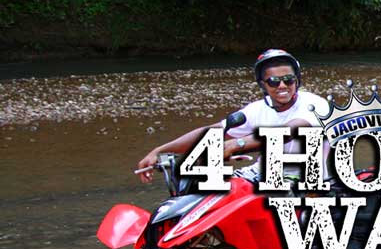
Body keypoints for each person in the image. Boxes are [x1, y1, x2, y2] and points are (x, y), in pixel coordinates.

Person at [136, 49, 328, 182]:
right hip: (259, 176)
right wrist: (159, 150)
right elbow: (214, 131)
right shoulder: (256, 109)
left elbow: (289, 130)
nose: (282, 86)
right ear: (263, 85)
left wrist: (235, 145)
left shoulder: (314, 105)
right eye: (274, 82)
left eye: (288, 80)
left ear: (297, 80)